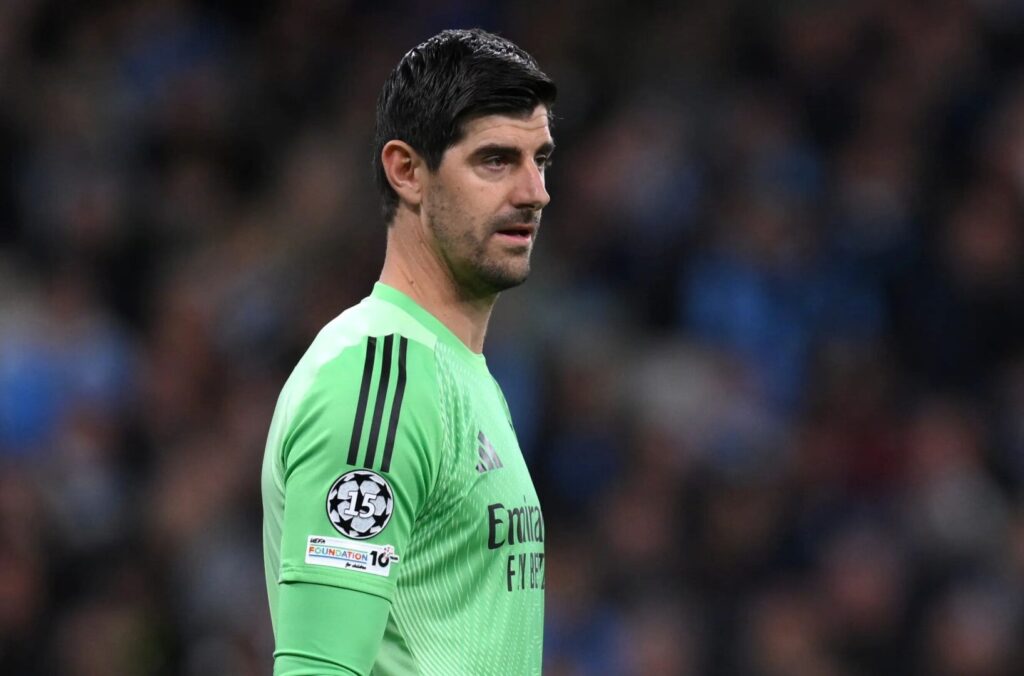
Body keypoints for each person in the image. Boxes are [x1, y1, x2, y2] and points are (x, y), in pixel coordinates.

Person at [261, 28, 557, 675]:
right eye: (496, 160)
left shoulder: (459, 373)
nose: (534, 191)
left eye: (540, 160)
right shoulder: (376, 383)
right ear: (407, 171)